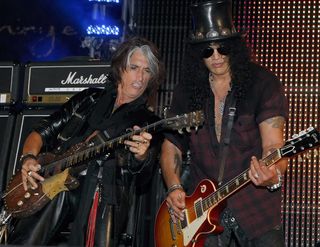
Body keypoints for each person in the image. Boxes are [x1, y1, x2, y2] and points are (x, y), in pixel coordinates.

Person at [7, 36, 165, 246]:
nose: (141, 76)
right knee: (57, 190)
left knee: (64, 192)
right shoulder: (88, 99)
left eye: (147, 71)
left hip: (103, 192)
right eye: (134, 67)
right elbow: (41, 132)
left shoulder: (148, 122)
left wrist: (142, 155)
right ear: (119, 69)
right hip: (56, 180)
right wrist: (28, 158)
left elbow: (144, 178)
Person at [160, 1, 288, 246]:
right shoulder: (187, 91)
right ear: (198, 54)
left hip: (255, 210)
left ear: (235, 48)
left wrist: (274, 175)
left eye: (223, 48)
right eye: (208, 51)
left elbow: (274, 146)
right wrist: (174, 187)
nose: (216, 56)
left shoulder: (263, 83)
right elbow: (171, 147)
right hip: (202, 214)